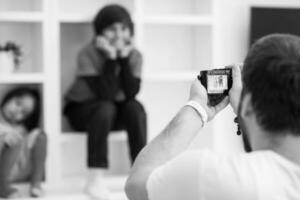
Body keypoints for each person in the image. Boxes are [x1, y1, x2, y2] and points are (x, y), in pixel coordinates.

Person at [125, 34, 300, 200]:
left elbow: (137, 184)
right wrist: (247, 108)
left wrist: (197, 107)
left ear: (248, 106)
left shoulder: (211, 176)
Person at [63, 4, 147, 199]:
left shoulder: (135, 55)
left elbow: (130, 93)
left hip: (111, 111)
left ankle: (142, 173)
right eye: (111, 29)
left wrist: (123, 59)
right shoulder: (87, 53)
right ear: (99, 32)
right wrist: (110, 58)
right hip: (81, 110)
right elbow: (105, 93)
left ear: (130, 30)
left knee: (136, 107)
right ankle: (94, 179)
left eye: (123, 28)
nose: (118, 35)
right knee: (105, 107)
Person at [0, 87, 46, 198]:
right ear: (9, 98)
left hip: (17, 169)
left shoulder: (21, 129)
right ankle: (1, 185)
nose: (17, 111)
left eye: (23, 113)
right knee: (13, 138)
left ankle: (36, 183)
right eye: (17, 103)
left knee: (40, 136)